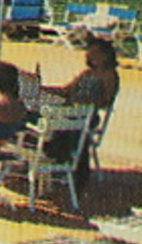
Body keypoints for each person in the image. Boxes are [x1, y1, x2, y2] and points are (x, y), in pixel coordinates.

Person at [45, 37, 120, 186]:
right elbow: (66, 90)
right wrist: (45, 89)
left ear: (105, 55)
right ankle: (49, 156)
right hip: (71, 109)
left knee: (62, 122)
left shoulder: (109, 75)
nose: (90, 56)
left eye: (94, 53)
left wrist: (84, 102)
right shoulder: (86, 73)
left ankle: (60, 161)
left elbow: (106, 99)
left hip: (88, 114)